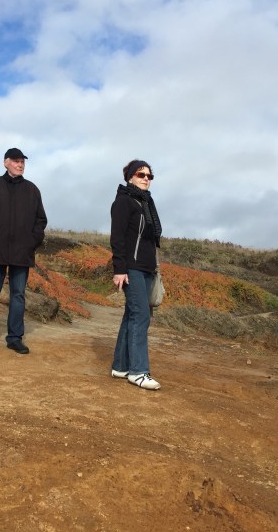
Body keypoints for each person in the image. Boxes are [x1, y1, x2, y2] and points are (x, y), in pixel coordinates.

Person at [0, 147, 47, 355]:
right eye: (16, 161)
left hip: (22, 252)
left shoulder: (32, 190)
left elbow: (41, 220)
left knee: (18, 295)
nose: (20, 164)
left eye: (22, 161)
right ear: (6, 162)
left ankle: (15, 338)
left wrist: (31, 242)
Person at [109, 159, 163, 390]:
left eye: (149, 176)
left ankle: (120, 366)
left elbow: (150, 241)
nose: (146, 179)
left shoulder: (147, 203)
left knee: (132, 315)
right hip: (131, 268)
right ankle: (138, 372)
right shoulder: (123, 202)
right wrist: (119, 269)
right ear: (130, 177)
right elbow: (117, 238)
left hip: (147, 268)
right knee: (141, 316)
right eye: (141, 175)